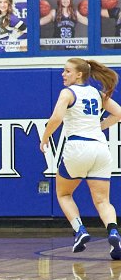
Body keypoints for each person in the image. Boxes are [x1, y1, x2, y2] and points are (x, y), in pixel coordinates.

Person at [39, 57, 121, 260]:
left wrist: (45, 137)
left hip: (78, 147)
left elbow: (56, 118)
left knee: (63, 194)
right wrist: (100, 126)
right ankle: (113, 232)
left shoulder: (68, 93)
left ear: (79, 74)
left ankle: (80, 230)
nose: (63, 74)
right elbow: (119, 113)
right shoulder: (97, 93)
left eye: (67, 71)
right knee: (103, 201)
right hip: (100, 149)